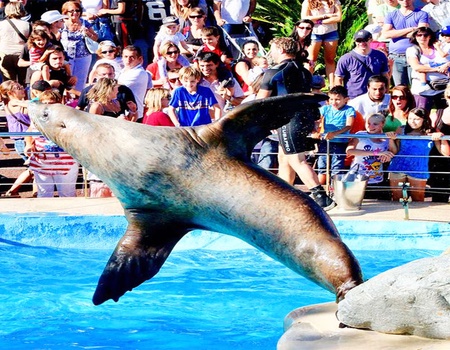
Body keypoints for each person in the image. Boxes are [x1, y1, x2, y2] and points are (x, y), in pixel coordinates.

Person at [256, 37, 335, 210]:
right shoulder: (304, 71)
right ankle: (287, 198)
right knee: (284, 159)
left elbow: (259, 101)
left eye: (273, 49)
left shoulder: (274, 71)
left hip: (289, 120)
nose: (271, 53)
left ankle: (322, 198)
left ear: (282, 50)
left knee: (296, 159)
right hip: (304, 117)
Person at [25, 89, 79, 198]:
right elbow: (29, 131)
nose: (47, 106)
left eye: (51, 103)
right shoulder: (36, 117)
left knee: (67, 194)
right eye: (44, 103)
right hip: (42, 161)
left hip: (65, 162)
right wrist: (28, 144)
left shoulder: (69, 117)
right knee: (44, 194)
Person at [388, 107, 449, 201]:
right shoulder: (401, 129)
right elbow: (394, 151)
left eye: (416, 119)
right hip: (398, 167)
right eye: (410, 118)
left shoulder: (431, 132)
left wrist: (442, 138)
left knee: (418, 199)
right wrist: (391, 139)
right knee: (397, 198)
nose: (412, 122)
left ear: (424, 119)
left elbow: (445, 153)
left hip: (419, 168)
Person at [346, 113, 398, 200]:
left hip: (377, 178)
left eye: (375, 124)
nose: (370, 126)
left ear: (383, 124)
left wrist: (391, 140)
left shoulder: (386, 138)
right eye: (368, 123)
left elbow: (393, 152)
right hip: (358, 178)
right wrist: (376, 153)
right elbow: (349, 151)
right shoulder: (360, 135)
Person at [312, 85, 355, 184]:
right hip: (325, 141)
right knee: (322, 164)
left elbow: (349, 125)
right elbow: (317, 121)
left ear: (346, 99)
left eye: (337, 99)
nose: (334, 102)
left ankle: (334, 190)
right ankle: (319, 190)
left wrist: (335, 133)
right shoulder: (326, 108)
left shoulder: (349, 110)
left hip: (340, 142)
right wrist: (315, 130)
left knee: (337, 166)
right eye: (331, 99)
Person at [381, 0, 429, 86]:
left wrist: (395, 33)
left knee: (416, 86)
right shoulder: (391, 15)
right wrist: (410, 29)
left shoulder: (422, 14)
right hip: (396, 56)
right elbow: (385, 34)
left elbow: (421, 34)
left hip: (415, 56)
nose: (405, 1)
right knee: (400, 88)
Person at [0, 80, 34, 197]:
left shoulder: (18, 103)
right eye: (18, 88)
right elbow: (29, 104)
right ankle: (12, 191)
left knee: (37, 169)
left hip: (25, 140)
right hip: (23, 140)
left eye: (21, 86)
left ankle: (36, 193)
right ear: (10, 92)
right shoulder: (13, 102)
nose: (22, 89)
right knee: (35, 168)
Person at [334, 29, 389, 99]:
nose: (362, 43)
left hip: (376, 97)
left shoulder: (380, 56)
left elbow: (385, 76)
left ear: (371, 40)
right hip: (353, 98)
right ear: (355, 41)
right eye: (359, 41)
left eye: (365, 40)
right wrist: (342, 98)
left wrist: (386, 94)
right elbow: (338, 79)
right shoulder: (346, 58)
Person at [406, 27, 450, 113]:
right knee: (421, 115)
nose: (422, 37)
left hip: (443, 88)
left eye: (425, 35)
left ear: (430, 36)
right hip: (423, 91)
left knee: (446, 117)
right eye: (419, 35)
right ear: (415, 36)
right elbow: (417, 67)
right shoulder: (412, 50)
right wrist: (437, 69)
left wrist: (447, 65)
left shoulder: (439, 47)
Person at [301, 0, 342, 86]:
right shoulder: (308, 2)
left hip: (331, 32)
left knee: (330, 59)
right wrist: (327, 16)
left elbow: (338, 18)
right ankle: (306, 86)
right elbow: (305, 17)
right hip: (314, 33)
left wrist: (319, 21)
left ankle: (332, 86)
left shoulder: (335, 1)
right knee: (310, 60)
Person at [60, 0, 98, 92]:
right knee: (67, 82)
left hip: (83, 57)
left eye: (77, 10)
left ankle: (77, 103)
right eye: (71, 11)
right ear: (65, 12)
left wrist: (87, 33)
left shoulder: (85, 23)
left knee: (80, 82)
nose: (75, 13)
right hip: (66, 58)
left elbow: (95, 38)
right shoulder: (61, 24)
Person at [428, 84, 450, 202]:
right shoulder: (437, 114)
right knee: (439, 196)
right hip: (439, 160)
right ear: (446, 97)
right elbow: (427, 133)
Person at [117, 45, 152, 120]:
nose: (128, 60)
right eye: (125, 57)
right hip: (124, 113)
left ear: (140, 59)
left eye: (132, 57)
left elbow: (115, 86)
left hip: (133, 115)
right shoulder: (123, 70)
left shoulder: (139, 73)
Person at [0, 2, 31, 85]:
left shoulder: (1, 24)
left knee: (8, 83)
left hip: (5, 55)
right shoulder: (28, 25)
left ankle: (10, 98)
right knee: (23, 83)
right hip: (22, 56)